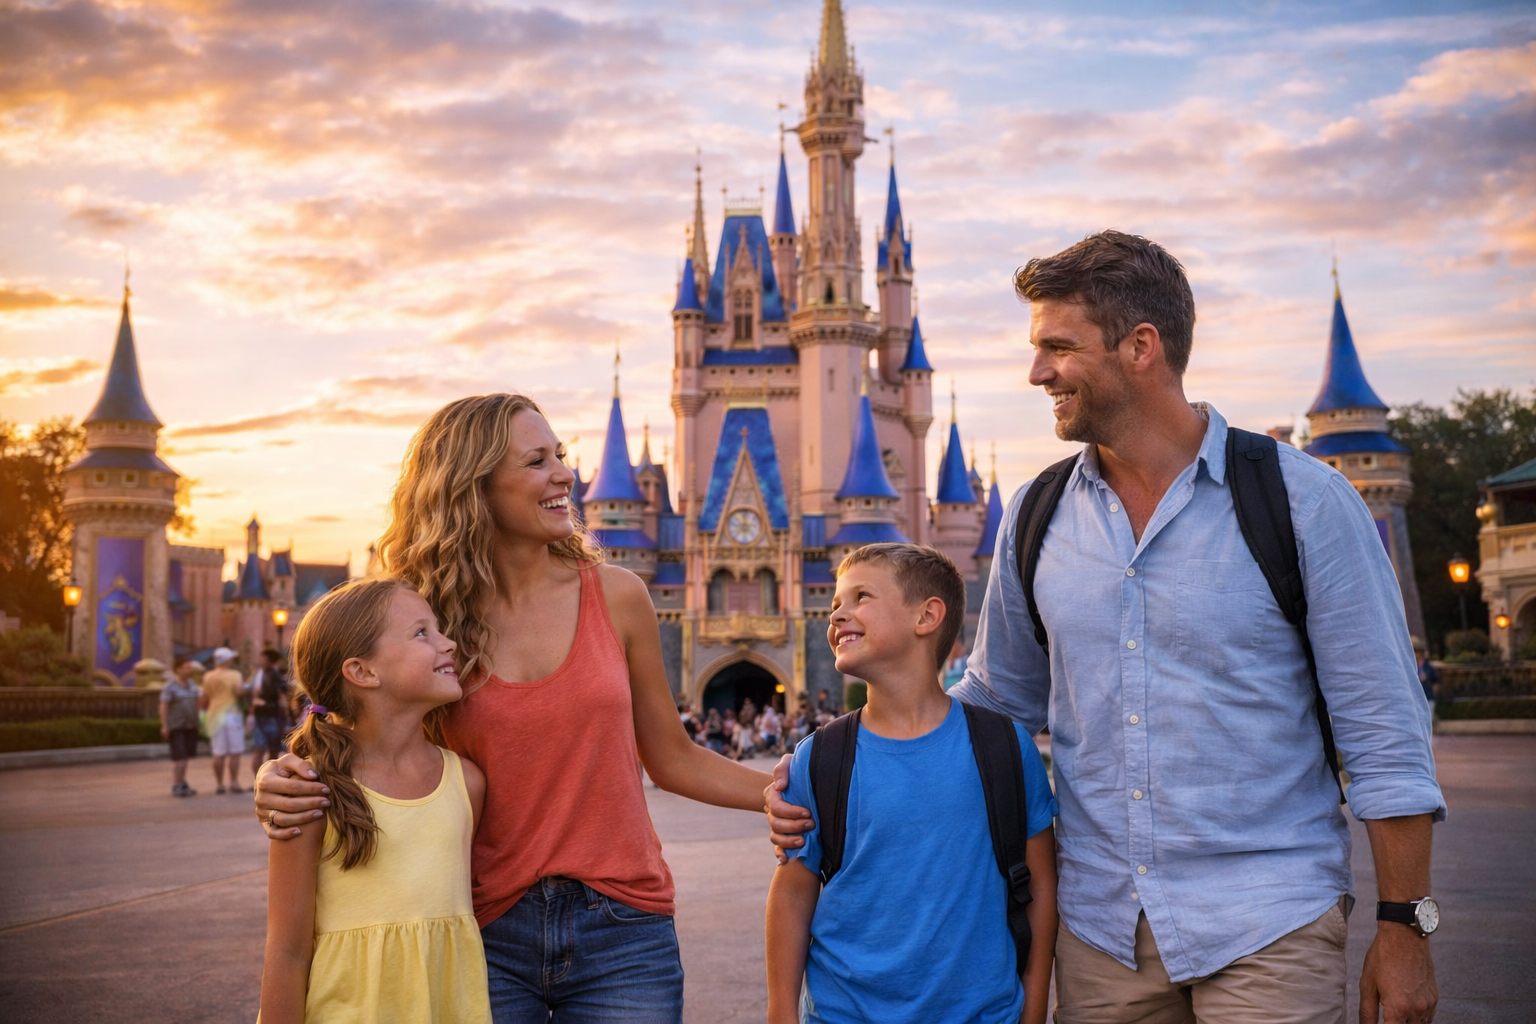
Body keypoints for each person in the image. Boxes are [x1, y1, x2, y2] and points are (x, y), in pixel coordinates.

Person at [771, 231, 1444, 1024]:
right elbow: (997, 698)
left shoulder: (1302, 504)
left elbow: (1385, 735)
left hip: (1268, 922)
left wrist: (1405, 927)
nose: (1036, 371)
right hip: (1102, 940)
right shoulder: (1036, 515)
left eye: (1058, 346)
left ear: (1140, 347)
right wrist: (835, 759)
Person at [255, 393, 773, 1022]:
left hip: (624, 926)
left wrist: (794, 791)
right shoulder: (426, 616)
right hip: (484, 925)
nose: (565, 474)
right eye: (536, 461)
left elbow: (671, 758)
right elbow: (351, 717)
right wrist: (283, 773)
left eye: (560, 455)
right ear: (476, 489)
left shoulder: (619, 595)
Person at [766, 543, 1058, 1024]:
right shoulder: (820, 757)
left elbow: (1041, 885)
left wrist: (1032, 1009)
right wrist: (780, 1014)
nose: (837, 613)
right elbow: (794, 892)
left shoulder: (1004, 748)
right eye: (836, 602)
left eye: (861, 597)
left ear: (927, 617)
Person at [260, 576, 490, 1024]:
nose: (449, 643)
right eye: (422, 632)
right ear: (363, 671)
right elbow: (286, 949)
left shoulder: (467, 783)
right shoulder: (311, 790)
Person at [201, 647, 246, 793]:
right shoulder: (235, 674)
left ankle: (220, 784)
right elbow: (239, 691)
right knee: (235, 751)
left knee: (218, 752)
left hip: (214, 715)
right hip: (232, 714)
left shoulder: (208, 676)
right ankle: (233, 782)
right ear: (227, 660)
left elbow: (204, 698)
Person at [159, 656, 201, 797]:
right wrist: (165, 725)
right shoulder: (170, 686)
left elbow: (197, 701)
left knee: (185, 757)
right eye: (187, 667)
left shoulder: (191, 684)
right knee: (179, 758)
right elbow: (163, 706)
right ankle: (177, 784)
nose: (190, 670)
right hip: (176, 726)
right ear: (178, 669)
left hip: (190, 726)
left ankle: (182, 782)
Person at [248, 648, 291, 776]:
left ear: (267, 659)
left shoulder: (261, 673)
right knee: (272, 749)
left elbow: (254, 693)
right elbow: (284, 692)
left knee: (260, 748)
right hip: (272, 714)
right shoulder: (273, 674)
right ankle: (268, 777)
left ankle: (259, 778)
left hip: (262, 713)